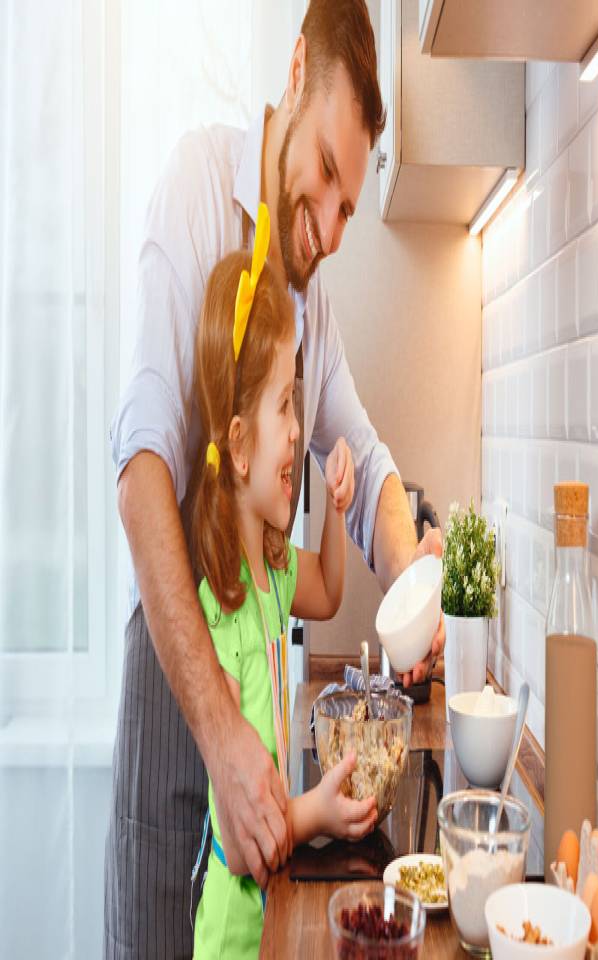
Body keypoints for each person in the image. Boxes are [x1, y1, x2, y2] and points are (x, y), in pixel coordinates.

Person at [104, 1, 444, 956]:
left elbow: (364, 454)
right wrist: (215, 725)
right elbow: (140, 470)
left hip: (243, 682)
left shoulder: (309, 289)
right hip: (178, 684)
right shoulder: (198, 182)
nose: (332, 228)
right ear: (294, 72)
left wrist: (414, 564)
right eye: (327, 177)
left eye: (348, 202)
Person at [190, 214, 377, 958]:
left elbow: (329, 591)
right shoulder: (217, 609)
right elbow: (240, 846)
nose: (299, 428)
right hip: (233, 937)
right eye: (282, 405)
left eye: (297, 403)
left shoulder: (269, 571)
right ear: (238, 446)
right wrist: (315, 814)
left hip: (267, 914)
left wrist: (336, 514)